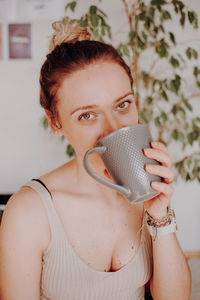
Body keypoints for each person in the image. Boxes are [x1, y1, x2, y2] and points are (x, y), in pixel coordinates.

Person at [0, 19, 191, 300]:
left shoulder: (142, 190)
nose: (114, 130)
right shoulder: (29, 212)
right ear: (55, 123)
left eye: (123, 104)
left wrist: (160, 215)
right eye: (87, 115)